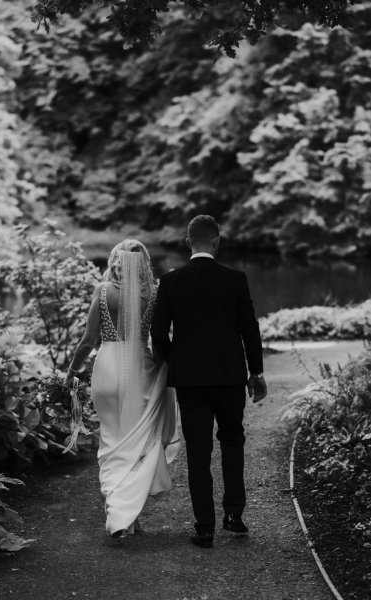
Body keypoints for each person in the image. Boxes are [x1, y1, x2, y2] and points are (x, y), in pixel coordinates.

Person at [151, 215, 267, 548]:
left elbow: (158, 333)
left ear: (189, 243)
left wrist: (179, 363)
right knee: (232, 440)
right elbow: (249, 328)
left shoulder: (171, 282)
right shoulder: (235, 279)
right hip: (230, 377)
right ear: (216, 241)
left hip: (191, 382)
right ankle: (234, 515)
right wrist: (255, 372)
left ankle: (204, 528)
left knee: (199, 451)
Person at [65, 239, 179, 539]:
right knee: (138, 442)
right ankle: (126, 515)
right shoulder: (154, 293)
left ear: (115, 259)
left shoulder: (102, 291)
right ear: (143, 262)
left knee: (111, 440)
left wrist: (71, 372)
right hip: (140, 368)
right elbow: (162, 339)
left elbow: (88, 341)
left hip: (107, 369)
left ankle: (122, 515)